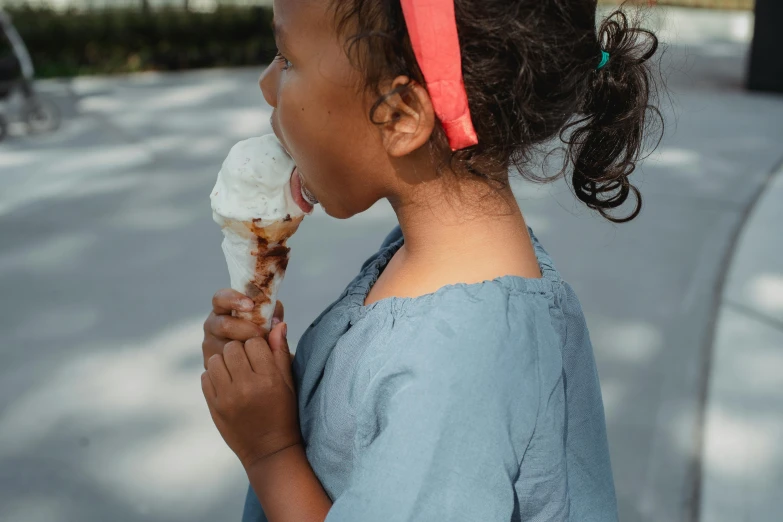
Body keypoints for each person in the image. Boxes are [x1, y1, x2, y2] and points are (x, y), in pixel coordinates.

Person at [200, 0, 661, 521]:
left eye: (286, 58)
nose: (266, 83)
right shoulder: (439, 264)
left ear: (400, 115)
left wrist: (270, 451)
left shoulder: (457, 364)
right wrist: (269, 382)